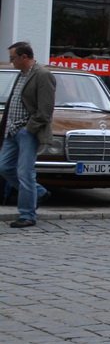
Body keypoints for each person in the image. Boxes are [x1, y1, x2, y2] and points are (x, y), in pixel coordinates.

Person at [1, 42, 55, 229]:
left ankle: (27, 214)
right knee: (4, 167)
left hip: (27, 132)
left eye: (13, 58)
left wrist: (29, 129)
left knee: (25, 172)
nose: (11, 61)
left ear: (24, 57)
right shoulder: (21, 75)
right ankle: (38, 193)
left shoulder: (42, 75)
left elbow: (45, 109)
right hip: (11, 131)